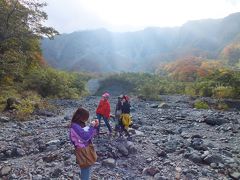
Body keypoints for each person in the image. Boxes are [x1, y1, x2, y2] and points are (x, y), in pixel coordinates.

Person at [69, 107, 99, 180]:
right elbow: (85, 137)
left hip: (86, 148)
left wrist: (95, 127)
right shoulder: (75, 126)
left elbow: (90, 135)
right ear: (81, 116)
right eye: (86, 117)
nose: (87, 119)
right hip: (82, 150)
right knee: (85, 167)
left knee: (87, 167)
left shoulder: (81, 124)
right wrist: (91, 127)